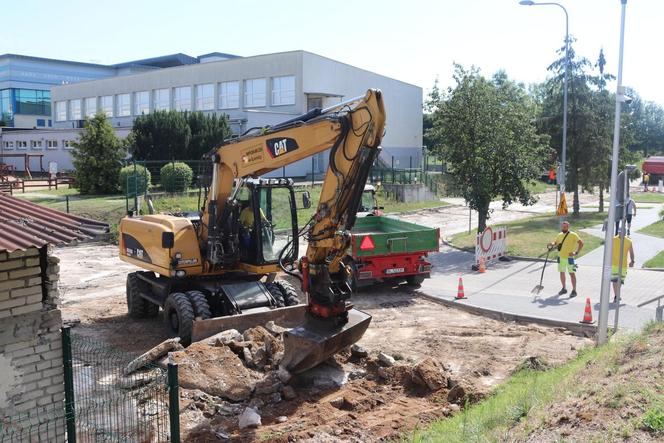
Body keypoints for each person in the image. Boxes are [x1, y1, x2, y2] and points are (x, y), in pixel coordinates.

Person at [547, 220, 584, 298]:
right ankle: (564, 288)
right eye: (562, 226)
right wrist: (552, 244)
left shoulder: (573, 235)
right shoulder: (559, 235)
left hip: (570, 258)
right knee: (562, 273)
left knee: (572, 274)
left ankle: (574, 290)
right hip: (561, 257)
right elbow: (556, 243)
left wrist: (576, 252)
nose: (563, 228)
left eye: (565, 227)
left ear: (568, 227)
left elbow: (581, 243)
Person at [611, 229, 635, 303]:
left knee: (620, 281)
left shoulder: (628, 241)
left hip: (623, 265)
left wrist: (632, 261)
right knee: (615, 280)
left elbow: (631, 252)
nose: (621, 233)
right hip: (613, 264)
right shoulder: (613, 239)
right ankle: (616, 296)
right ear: (618, 232)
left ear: (625, 233)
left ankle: (616, 295)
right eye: (620, 232)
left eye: (622, 232)